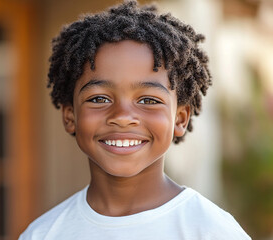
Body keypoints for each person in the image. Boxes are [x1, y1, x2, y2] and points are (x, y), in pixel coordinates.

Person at [19, 1, 251, 239]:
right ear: (70, 116)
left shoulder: (211, 230)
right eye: (99, 98)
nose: (122, 117)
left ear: (180, 119)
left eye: (148, 100)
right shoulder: (43, 234)